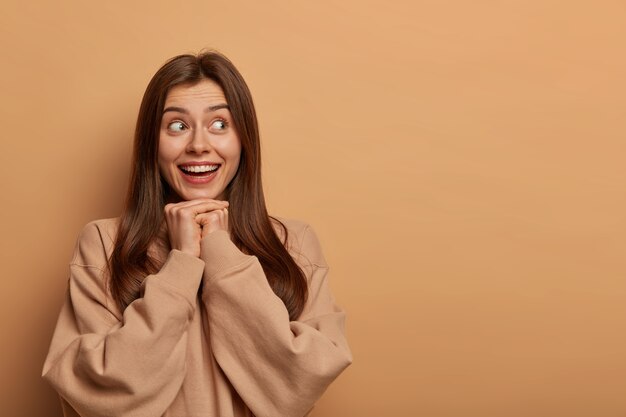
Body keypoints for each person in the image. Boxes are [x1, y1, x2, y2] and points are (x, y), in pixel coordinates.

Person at [42, 51, 352, 417]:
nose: (199, 145)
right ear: (151, 144)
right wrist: (182, 265)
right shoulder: (104, 243)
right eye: (177, 126)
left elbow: (298, 385)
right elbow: (103, 394)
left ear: (244, 139)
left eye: (220, 124)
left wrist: (221, 253)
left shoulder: (292, 242)